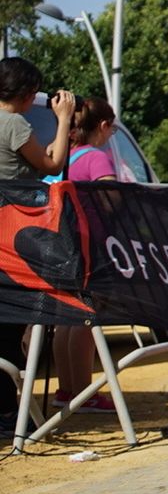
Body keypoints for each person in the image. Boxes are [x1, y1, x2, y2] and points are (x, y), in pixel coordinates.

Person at [0, 58, 75, 422]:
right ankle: (6, 412)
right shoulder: (13, 123)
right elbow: (53, 165)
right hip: (12, 233)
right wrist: (63, 119)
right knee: (10, 325)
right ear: (28, 93)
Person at [48, 97, 120, 413]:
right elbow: (112, 199)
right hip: (90, 246)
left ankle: (68, 390)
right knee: (87, 318)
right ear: (103, 126)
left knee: (66, 318)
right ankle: (83, 392)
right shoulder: (96, 158)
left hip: (63, 245)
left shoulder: (66, 156)